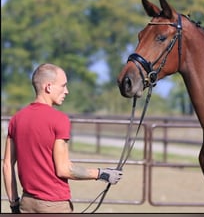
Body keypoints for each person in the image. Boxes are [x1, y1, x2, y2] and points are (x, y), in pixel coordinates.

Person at [3, 63, 123, 213]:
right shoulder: (59, 120)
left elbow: (7, 166)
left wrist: (14, 205)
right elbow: (64, 169)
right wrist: (102, 173)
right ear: (48, 87)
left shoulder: (16, 119)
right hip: (54, 205)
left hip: (27, 204)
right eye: (63, 85)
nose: (67, 91)